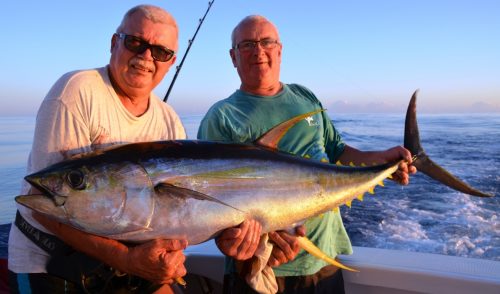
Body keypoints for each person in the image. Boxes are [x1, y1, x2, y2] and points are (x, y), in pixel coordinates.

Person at [197, 15, 417, 294]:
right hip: (261, 270)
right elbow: (211, 204)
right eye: (247, 44)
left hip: (323, 261)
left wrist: (382, 160)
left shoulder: (304, 96)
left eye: (266, 42)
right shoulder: (222, 117)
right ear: (233, 56)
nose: (258, 51)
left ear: (279, 49)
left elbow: (337, 151)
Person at [8, 5, 188, 293]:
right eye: (135, 42)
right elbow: (44, 207)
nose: (145, 57)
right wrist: (127, 259)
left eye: (160, 52)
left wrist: (168, 261)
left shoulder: (169, 120)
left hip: (124, 267)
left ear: (171, 62)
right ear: (114, 43)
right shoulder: (77, 91)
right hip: (51, 265)